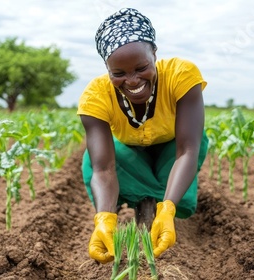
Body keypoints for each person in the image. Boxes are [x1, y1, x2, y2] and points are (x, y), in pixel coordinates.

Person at [77, 7, 208, 264]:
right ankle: (144, 200)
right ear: (107, 68)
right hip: (129, 152)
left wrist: (168, 207)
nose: (132, 80)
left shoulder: (181, 76)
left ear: (155, 54)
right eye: (119, 73)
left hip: (174, 149)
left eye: (141, 67)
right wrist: (104, 217)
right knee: (89, 162)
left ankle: (163, 204)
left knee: (193, 149)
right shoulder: (95, 96)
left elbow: (187, 150)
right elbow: (103, 168)